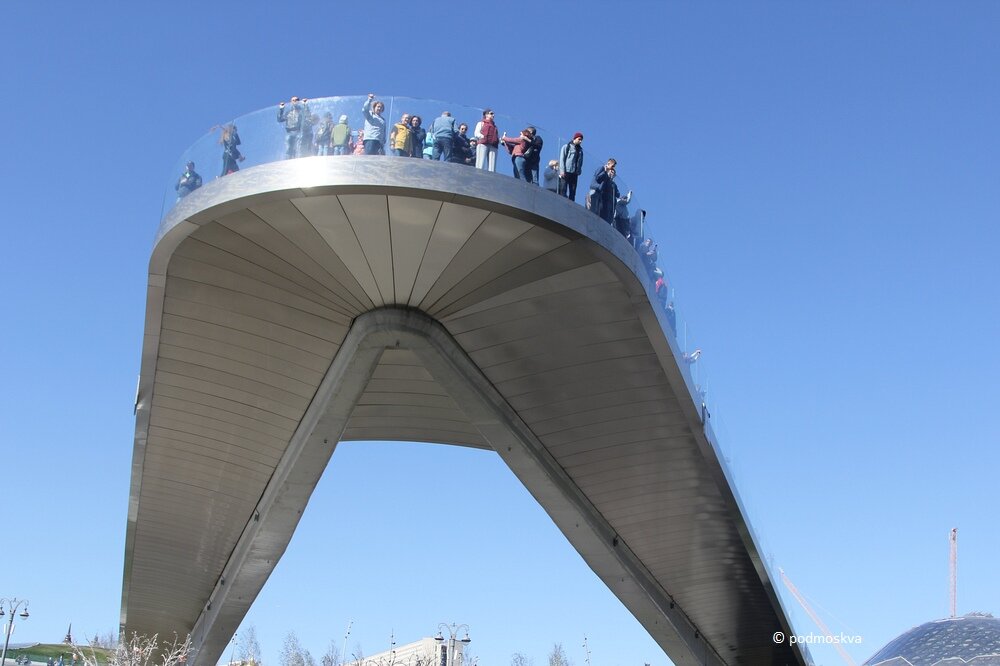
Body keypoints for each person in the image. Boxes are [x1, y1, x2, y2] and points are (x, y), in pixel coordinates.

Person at [558, 132, 584, 200]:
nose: (580, 141)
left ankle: (571, 204)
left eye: (581, 140)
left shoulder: (581, 151)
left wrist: (579, 171)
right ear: (574, 138)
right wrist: (562, 171)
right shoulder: (567, 147)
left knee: (573, 191)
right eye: (579, 139)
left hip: (574, 173)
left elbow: (580, 162)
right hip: (566, 171)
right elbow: (562, 159)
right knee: (563, 189)